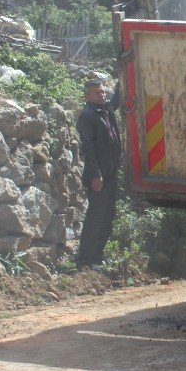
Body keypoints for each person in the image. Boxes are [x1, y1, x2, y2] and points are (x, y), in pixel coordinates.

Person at [76, 78, 122, 267]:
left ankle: (98, 256)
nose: (102, 95)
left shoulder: (105, 110)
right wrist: (96, 175)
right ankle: (85, 258)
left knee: (108, 214)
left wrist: (122, 81)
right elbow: (88, 148)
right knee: (96, 215)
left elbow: (115, 102)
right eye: (98, 93)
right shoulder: (87, 116)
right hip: (98, 175)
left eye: (103, 92)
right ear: (87, 96)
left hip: (110, 172)